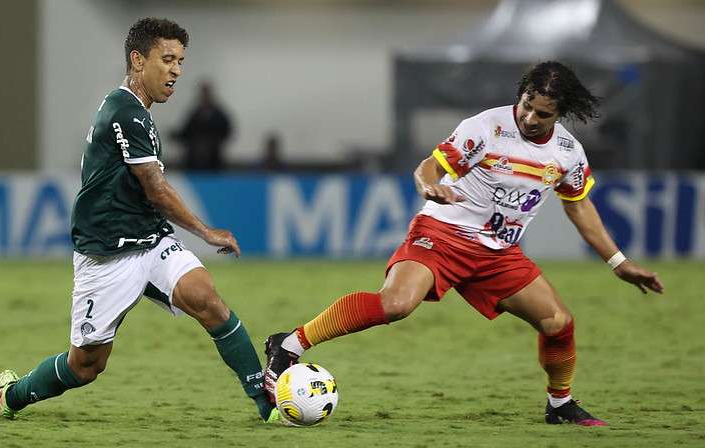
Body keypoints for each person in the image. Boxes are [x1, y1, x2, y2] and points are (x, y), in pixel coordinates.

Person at [263, 61, 664, 426]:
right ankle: (290, 343)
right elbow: (429, 166)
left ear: (561, 114)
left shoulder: (567, 153)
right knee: (396, 304)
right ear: (521, 94)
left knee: (558, 323)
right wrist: (429, 186)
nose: (530, 116)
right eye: (527, 104)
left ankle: (560, 404)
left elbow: (578, 207)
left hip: (498, 255)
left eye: (543, 113)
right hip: (442, 234)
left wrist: (618, 262)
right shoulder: (485, 128)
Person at [0, 17, 278, 424]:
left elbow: (149, 194)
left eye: (181, 61)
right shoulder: (126, 112)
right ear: (138, 61)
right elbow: (155, 188)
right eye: (167, 59)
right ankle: (12, 394)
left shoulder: (140, 112)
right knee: (85, 367)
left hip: (148, 238)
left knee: (207, 300)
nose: (177, 69)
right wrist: (207, 233)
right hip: (106, 253)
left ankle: (268, 403)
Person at [171, 80, 232, 171]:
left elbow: (226, 131)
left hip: (213, 159)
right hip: (193, 159)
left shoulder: (219, 114)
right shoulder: (195, 113)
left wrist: (211, 142)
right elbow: (186, 131)